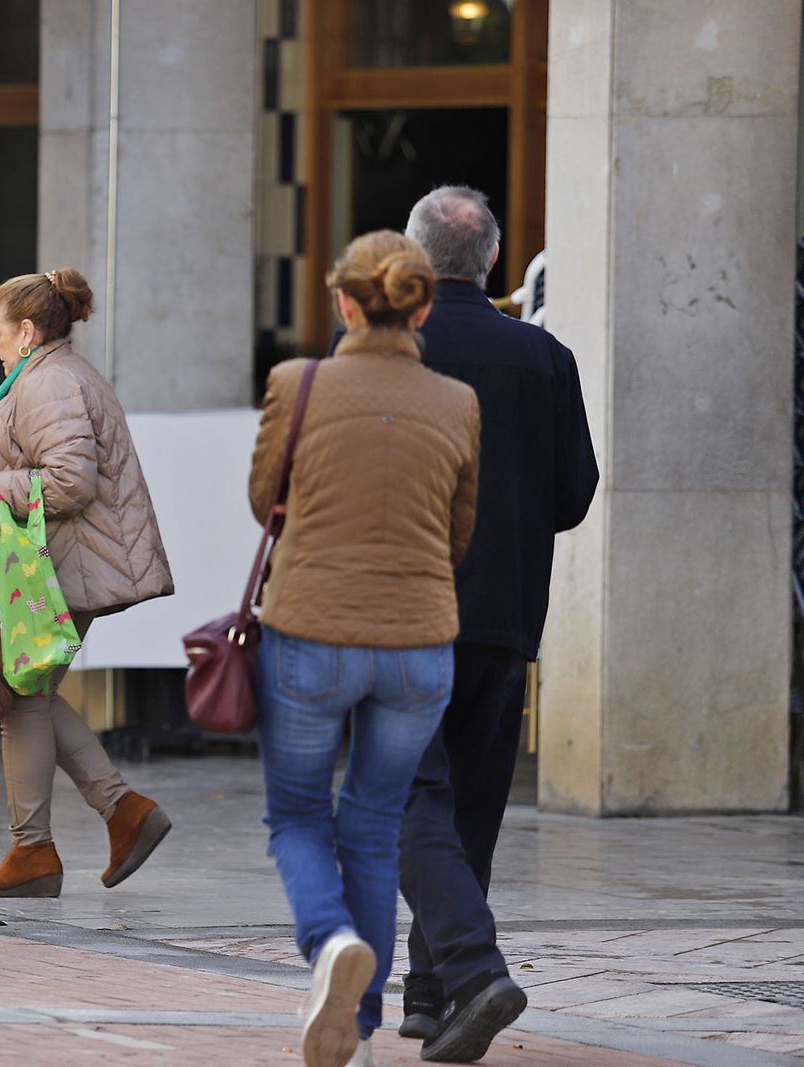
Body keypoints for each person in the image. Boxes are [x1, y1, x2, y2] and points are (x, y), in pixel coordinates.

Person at [251, 231, 479, 1067]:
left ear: (344, 302)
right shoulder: (458, 400)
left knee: (298, 816)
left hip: (312, 628)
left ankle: (331, 941)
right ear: (420, 306)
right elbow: (460, 532)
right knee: (376, 827)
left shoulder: (295, 384)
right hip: (421, 641)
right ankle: (364, 1023)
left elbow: (261, 500)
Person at [394, 186, 598, 1062]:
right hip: (506, 610)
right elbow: (573, 494)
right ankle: (428, 988)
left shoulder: (380, 349)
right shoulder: (543, 356)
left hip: (399, 611)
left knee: (400, 799)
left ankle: (473, 973)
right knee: (468, 805)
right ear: (492, 263)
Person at [0, 267, 174, 899]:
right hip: (53, 568)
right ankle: (120, 812)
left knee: (21, 698)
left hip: (56, 572)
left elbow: (71, 481)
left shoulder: (47, 382)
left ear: (26, 331)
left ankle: (37, 850)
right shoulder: (50, 374)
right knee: (33, 695)